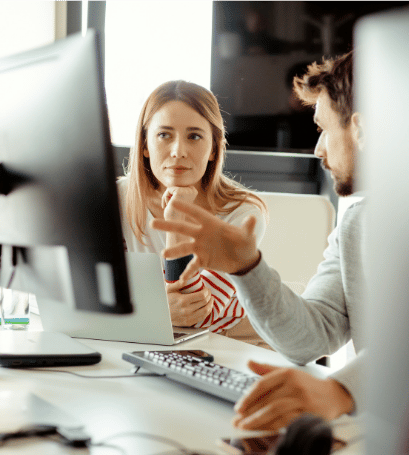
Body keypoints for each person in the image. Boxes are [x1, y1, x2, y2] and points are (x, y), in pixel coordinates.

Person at [152, 52, 364, 430]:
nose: (318, 151)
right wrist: (246, 267)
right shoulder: (357, 225)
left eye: (323, 129)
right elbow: (310, 337)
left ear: (361, 130)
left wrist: (341, 391)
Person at [117, 80, 270, 347]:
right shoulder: (118, 197)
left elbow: (194, 316)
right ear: (144, 145)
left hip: (236, 342)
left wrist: (176, 218)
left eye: (194, 136)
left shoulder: (244, 214)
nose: (178, 151)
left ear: (213, 149)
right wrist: (156, 310)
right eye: (164, 135)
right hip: (153, 339)